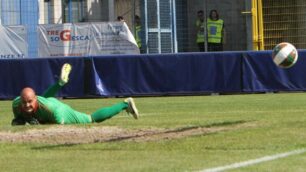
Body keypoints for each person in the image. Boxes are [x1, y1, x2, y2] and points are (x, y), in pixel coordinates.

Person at [11, 63, 139, 125]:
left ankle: (125, 103)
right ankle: (60, 83)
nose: (26, 105)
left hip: (60, 110)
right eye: (24, 102)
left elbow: (56, 127)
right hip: (46, 102)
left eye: (29, 102)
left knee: (91, 119)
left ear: (35, 100)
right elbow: (19, 119)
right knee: (43, 100)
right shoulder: (16, 104)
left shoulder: (53, 111)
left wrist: (38, 125)